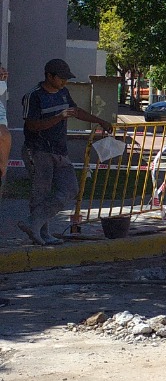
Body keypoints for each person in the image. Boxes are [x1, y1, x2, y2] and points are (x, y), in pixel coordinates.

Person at [18, 59, 114, 245]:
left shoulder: (63, 92)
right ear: (49, 76)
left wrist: (99, 120)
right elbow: (32, 125)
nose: (64, 82)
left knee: (70, 189)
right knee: (40, 194)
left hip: (60, 151)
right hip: (37, 151)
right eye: (61, 78)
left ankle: (33, 224)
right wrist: (58, 117)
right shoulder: (34, 96)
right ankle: (40, 233)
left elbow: (75, 111)